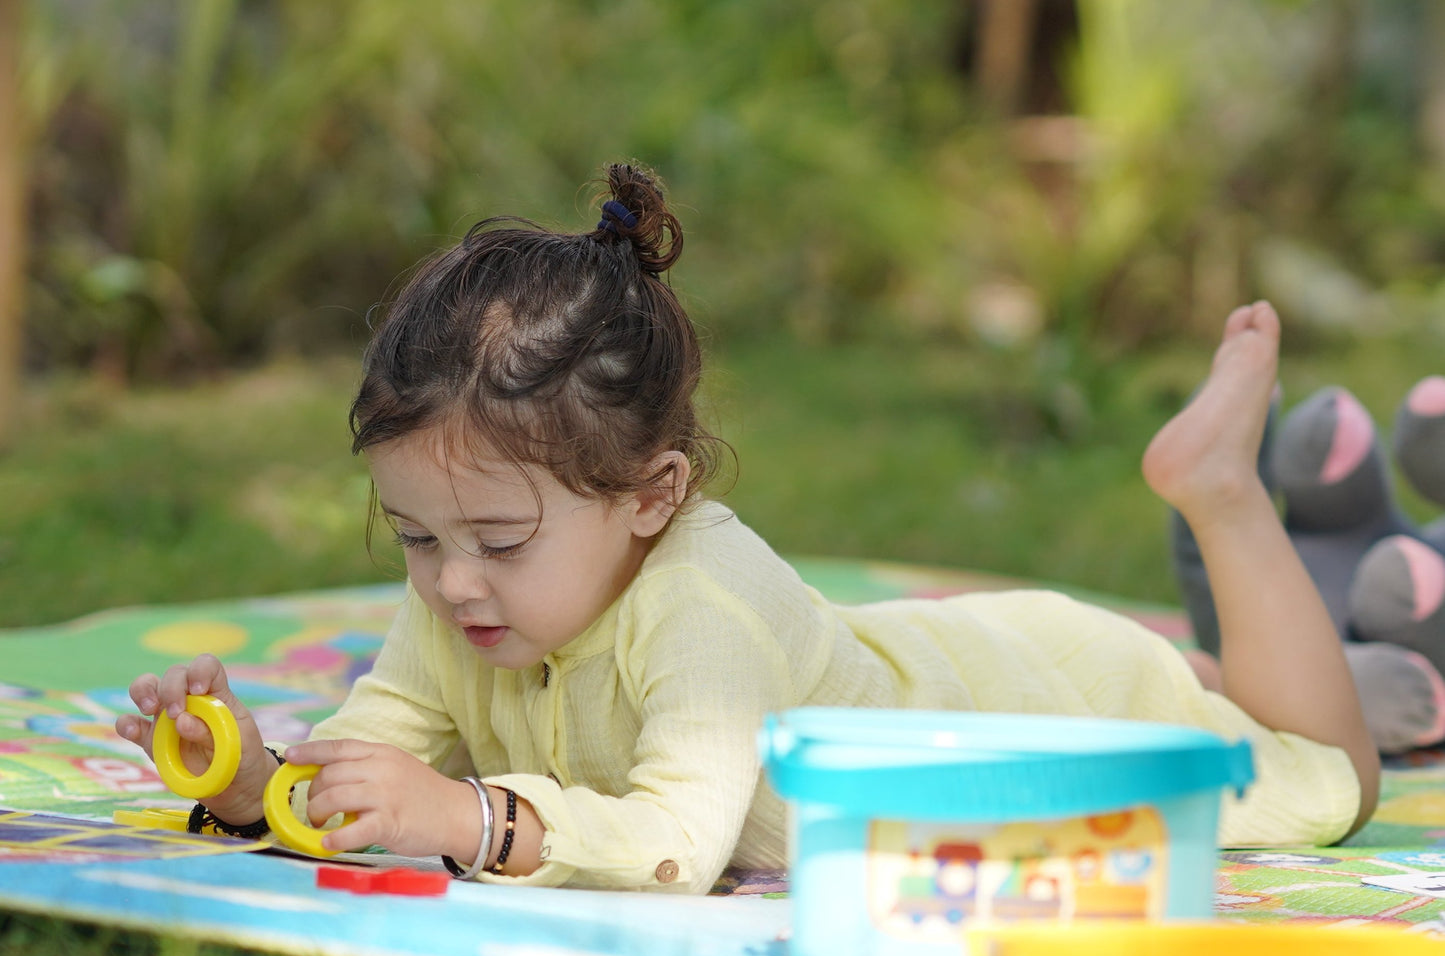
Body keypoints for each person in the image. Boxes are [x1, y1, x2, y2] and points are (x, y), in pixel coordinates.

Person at [114, 163, 1379, 894]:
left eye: (498, 542)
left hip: (1043, 705)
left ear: (650, 498)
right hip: (919, 657)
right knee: (1221, 681)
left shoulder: (701, 610)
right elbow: (362, 777)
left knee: (1330, 773)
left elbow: (678, 845)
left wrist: (467, 819)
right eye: (413, 538)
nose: (447, 583)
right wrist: (245, 782)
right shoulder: (464, 582)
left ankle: (1220, 490)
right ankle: (1314, 626)